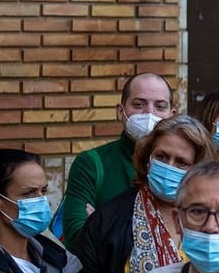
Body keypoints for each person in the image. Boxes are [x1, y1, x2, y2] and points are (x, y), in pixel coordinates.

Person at [71, 114, 212, 273]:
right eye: (162, 157)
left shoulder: (214, 222)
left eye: (181, 162)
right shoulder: (109, 220)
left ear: (199, 171)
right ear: (147, 160)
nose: (169, 166)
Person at [61, 72, 174, 245]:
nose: (149, 113)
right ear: (121, 112)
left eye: (160, 107)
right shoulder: (91, 163)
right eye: (139, 104)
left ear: (172, 115)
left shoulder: (185, 166)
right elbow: (77, 238)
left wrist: (102, 225)